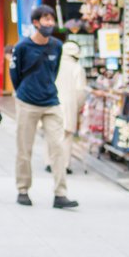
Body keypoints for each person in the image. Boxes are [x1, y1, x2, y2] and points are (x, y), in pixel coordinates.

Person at [10, 5, 79, 209]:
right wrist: (25, 91)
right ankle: (23, 189)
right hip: (27, 102)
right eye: (45, 20)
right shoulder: (22, 47)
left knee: (58, 148)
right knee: (24, 149)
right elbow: (15, 75)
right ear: (36, 23)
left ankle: (60, 194)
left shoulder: (57, 46)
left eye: (51, 20)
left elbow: (54, 71)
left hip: (51, 102)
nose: (49, 23)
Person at [53, 41, 88, 176]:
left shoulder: (55, 64)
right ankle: (64, 164)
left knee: (52, 134)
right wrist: (78, 107)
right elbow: (81, 91)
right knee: (67, 136)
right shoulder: (77, 68)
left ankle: (50, 162)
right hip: (69, 105)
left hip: (53, 103)